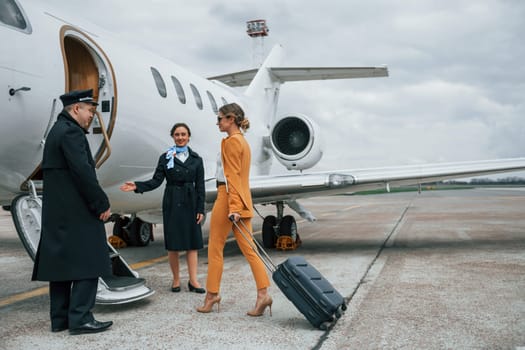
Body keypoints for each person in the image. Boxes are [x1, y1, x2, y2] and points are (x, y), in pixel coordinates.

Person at [32, 89, 113, 335]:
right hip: (77, 210)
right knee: (90, 261)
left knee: (61, 266)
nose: (91, 116)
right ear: (76, 108)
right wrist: (101, 203)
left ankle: (60, 319)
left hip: (59, 211)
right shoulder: (72, 132)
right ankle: (80, 318)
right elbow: (83, 172)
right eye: (90, 110)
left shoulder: (57, 130)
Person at [197, 103, 272, 316]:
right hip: (242, 198)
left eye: (220, 119)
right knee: (250, 250)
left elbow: (231, 177)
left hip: (228, 197)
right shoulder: (244, 142)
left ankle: (212, 295)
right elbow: (240, 177)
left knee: (215, 247)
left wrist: (234, 207)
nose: (217, 123)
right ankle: (263, 294)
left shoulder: (230, 142)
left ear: (231, 119)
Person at [120, 123, 206, 294]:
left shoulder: (197, 159)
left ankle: (194, 281)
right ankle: (175, 280)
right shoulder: (165, 157)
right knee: (173, 245)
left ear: (188, 137)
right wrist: (137, 186)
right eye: (177, 134)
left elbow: (200, 186)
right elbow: (156, 181)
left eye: (183, 134)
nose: (180, 137)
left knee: (192, 244)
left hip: (190, 202)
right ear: (173, 137)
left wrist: (200, 209)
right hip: (172, 202)